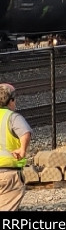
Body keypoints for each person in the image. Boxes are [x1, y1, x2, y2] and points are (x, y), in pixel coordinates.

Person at [0, 83, 31, 211]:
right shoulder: (12, 117)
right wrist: (22, 149)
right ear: (10, 100)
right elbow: (25, 132)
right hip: (7, 174)